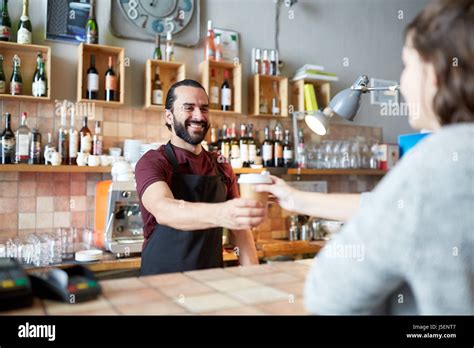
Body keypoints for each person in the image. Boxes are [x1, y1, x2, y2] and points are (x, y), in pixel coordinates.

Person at [256, 0, 474, 314]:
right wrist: (295, 199)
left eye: (407, 64)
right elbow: (390, 208)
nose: (402, 84)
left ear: (435, 73)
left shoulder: (434, 162)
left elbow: (329, 294)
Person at [135, 79, 264, 276]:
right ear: (169, 116)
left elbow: (241, 231)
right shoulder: (153, 162)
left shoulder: (221, 165)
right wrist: (224, 213)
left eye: (204, 109)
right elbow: (164, 209)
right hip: (160, 282)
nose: (199, 116)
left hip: (210, 280)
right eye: (189, 108)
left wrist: (255, 277)